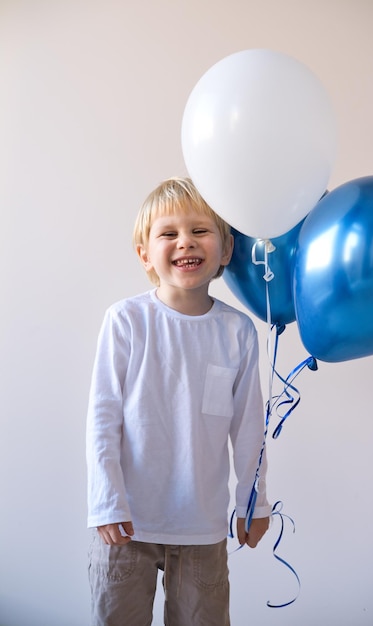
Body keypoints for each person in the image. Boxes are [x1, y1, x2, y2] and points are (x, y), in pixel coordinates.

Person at [86, 177, 270, 626]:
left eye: (200, 231)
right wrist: (107, 500)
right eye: (168, 233)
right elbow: (102, 418)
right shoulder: (126, 321)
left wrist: (255, 502)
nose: (185, 241)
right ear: (145, 254)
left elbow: (249, 427)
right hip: (127, 524)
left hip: (201, 526)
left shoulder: (238, 331)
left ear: (225, 250)